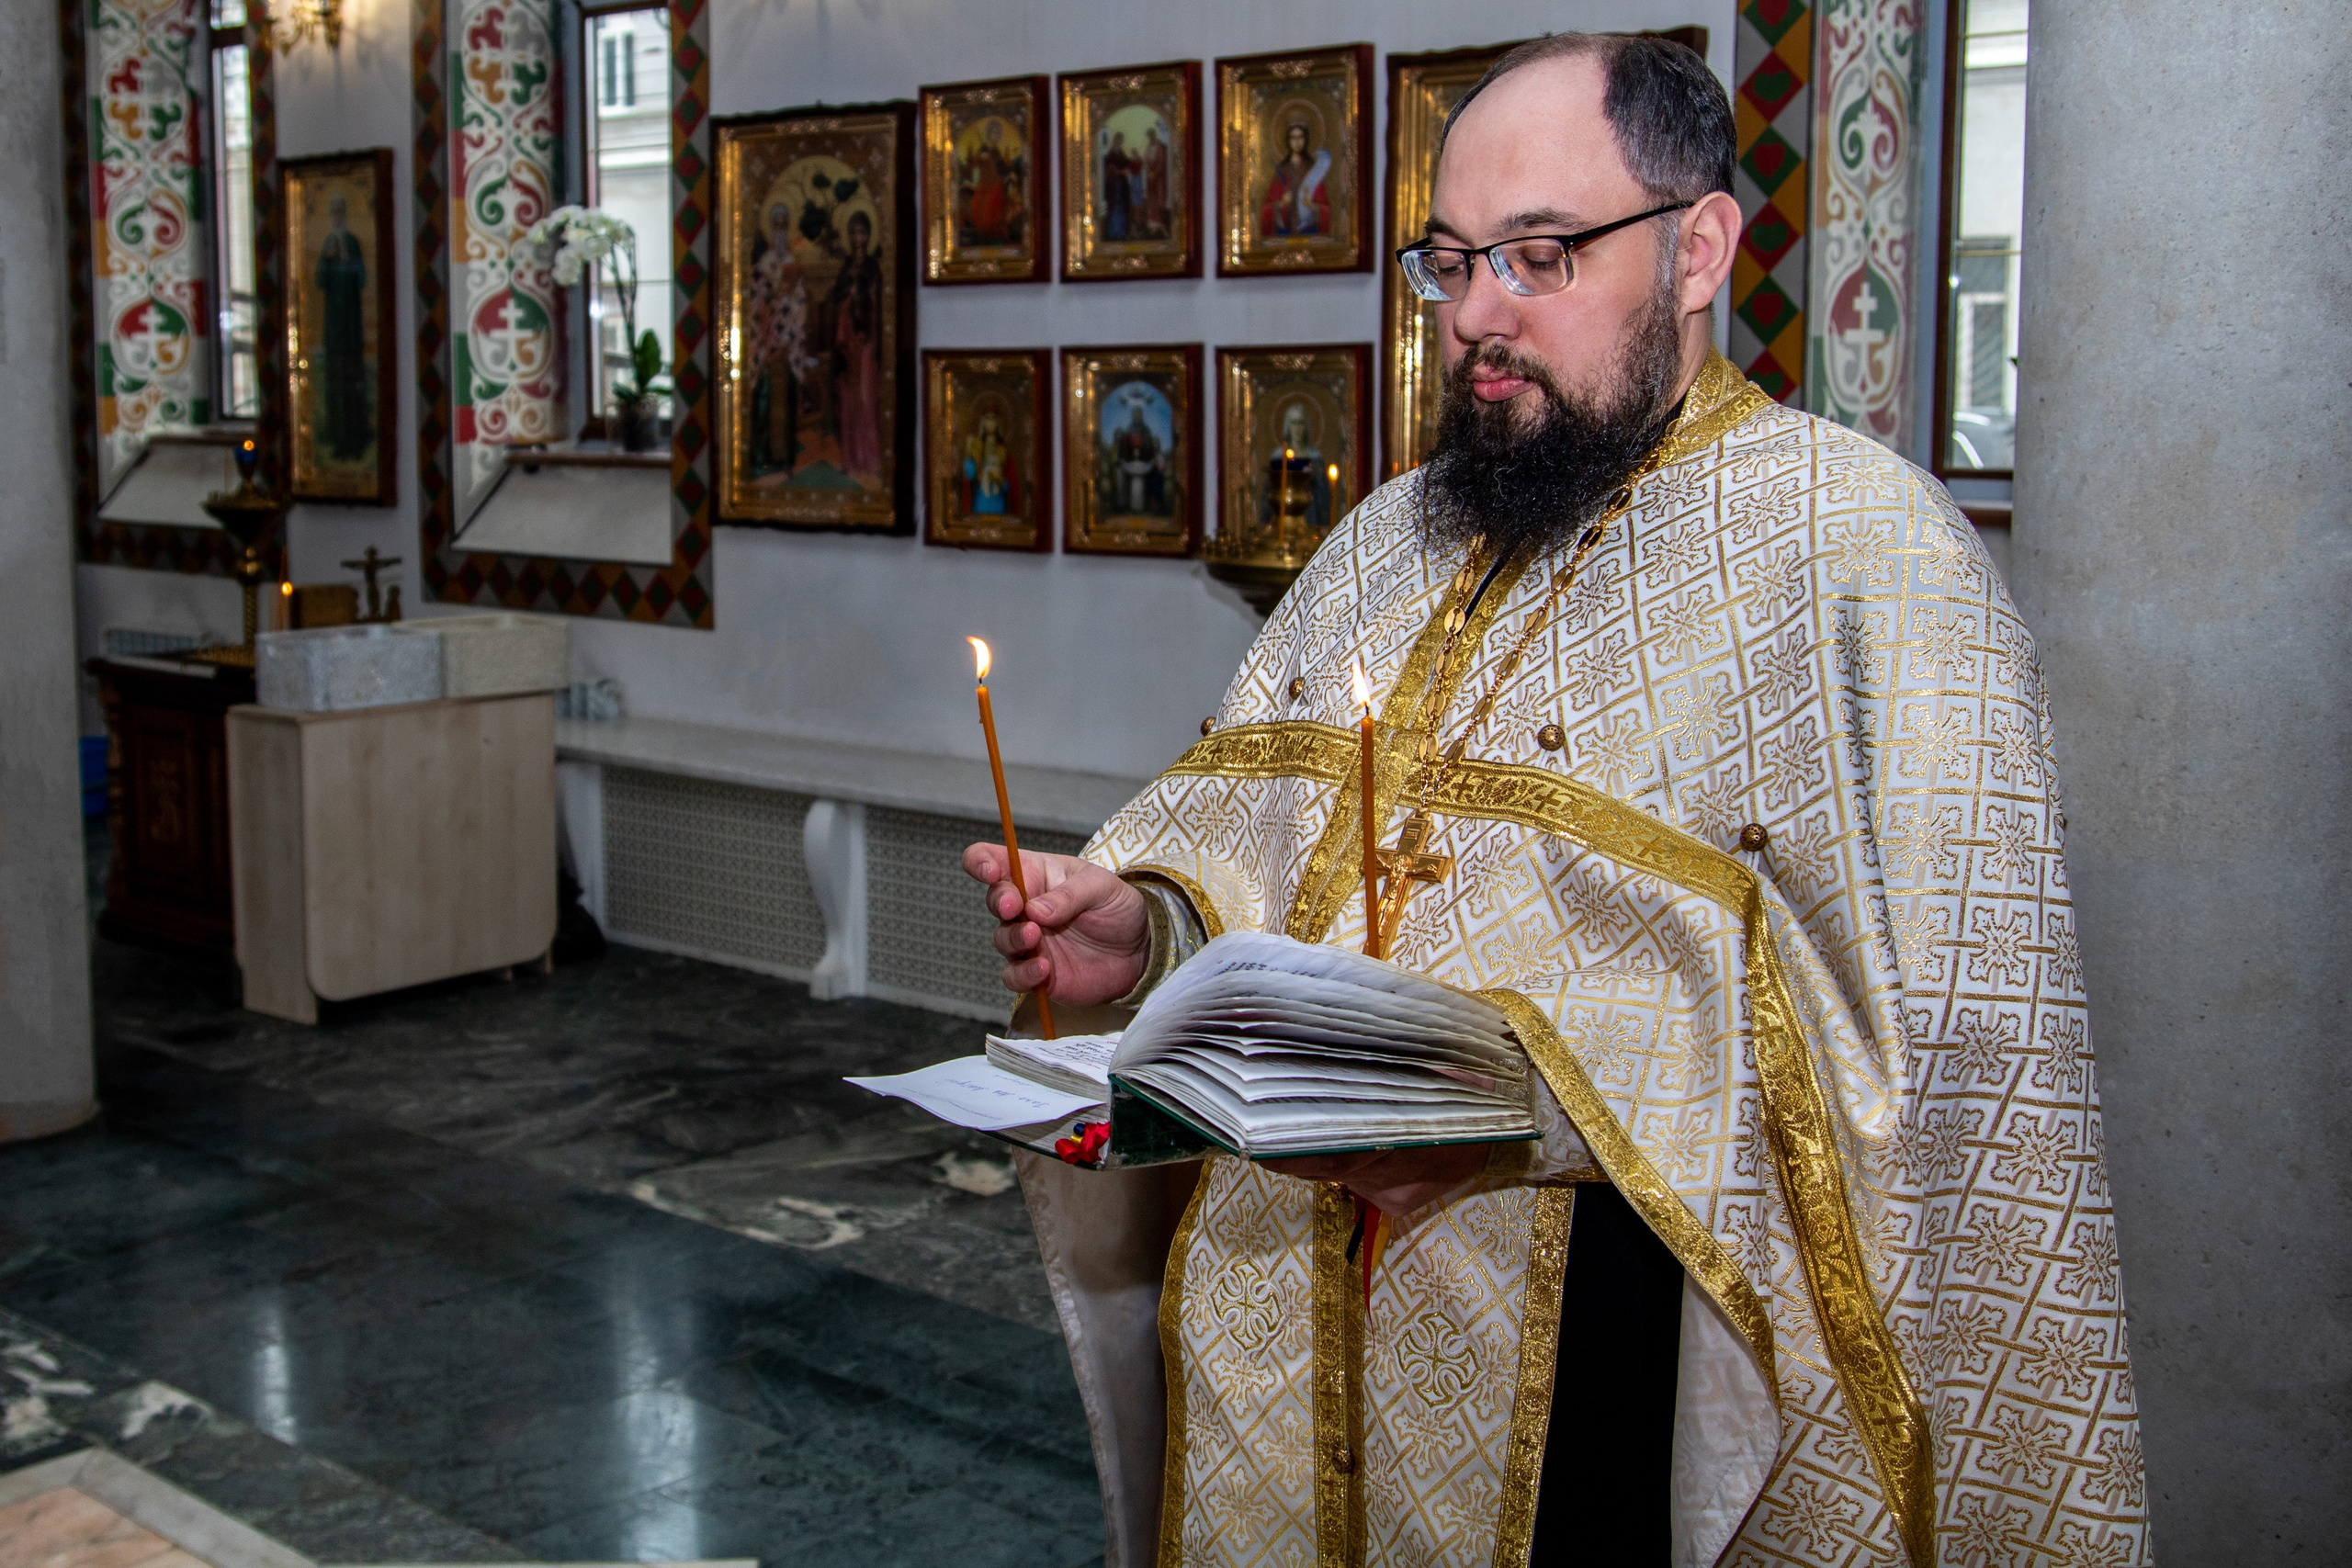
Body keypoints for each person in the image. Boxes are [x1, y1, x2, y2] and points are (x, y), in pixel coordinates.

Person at [966, 32, 2148, 1568]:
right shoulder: (1389, 543)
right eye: (1449, 263)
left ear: (1701, 245)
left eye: (1539, 256)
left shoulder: (1862, 558)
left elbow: (1939, 1070)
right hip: (1287, 1307)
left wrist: (1527, 1103)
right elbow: (1258, 845)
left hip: (1612, 1354)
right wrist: (1149, 932)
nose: (1474, 318)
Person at [826, 210, 883, 481]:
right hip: (845, 333)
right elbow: (837, 298)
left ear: (868, 235)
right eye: (853, 232)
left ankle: (869, 458)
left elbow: (877, 304)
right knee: (846, 397)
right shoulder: (845, 266)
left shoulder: (873, 268)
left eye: (861, 232)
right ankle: (849, 458)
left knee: (865, 395)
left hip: (865, 337)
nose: (857, 237)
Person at [314, 193, 370, 460]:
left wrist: (347, 259)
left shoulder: (352, 243)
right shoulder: (328, 245)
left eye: (340, 212)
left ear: (345, 215)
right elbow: (320, 281)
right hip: (334, 330)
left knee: (353, 382)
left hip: (351, 327)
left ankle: (356, 436)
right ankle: (337, 435)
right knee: (335, 382)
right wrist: (327, 259)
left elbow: (361, 279)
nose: (337, 216)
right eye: (333, 212)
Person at [1260, 119, 1331, 240]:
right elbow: (1267, 207)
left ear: (1306, 139)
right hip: (1285, 231)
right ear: (1288, 140)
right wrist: (1282, 203)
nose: (1297, 142)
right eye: (1293, 138)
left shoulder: (1313, 170)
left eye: (1300, 137)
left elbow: (1326, 208)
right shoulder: (1281, 171)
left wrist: (1312, 205)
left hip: (1308, 229)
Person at [1102, 130, 1135, 241]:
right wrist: (1120, 172)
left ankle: (1121, 233)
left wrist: (1134, 162)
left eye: (1121, 140)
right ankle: (1114, 233)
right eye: (1118, 140)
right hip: (1113, 186)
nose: (1119, 142)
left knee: (1121, 207)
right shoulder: (1110, 155)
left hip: (1121, 186)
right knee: (1114, 207)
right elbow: (1110, 168)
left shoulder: (1120, 153)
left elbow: (1127, 163)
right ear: (1115, 140)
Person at [1141, 122, 1170, 239]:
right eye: (1149, 135)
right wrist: (1148, 172)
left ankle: (1161, 225)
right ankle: (1152, 226)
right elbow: (1146, 162)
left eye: (1152, 135)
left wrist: (1156, 173)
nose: (1150, 137)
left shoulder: (1160, 147)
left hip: (1159, 179)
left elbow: (1161, 163)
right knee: (1151, 201)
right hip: (1150, 179)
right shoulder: (1148, 147)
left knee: (1159, 201)